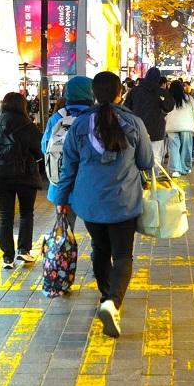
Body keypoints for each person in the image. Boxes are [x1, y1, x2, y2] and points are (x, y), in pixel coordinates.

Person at [57, 71, 153, 338]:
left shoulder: (79, 125)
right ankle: (113, 302)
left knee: (100, 248)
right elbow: (146, 162)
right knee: (122, 254)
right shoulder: (133, 122)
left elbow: (69, 166)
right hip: (123, 202)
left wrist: (61, 199)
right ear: (120, 93)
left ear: (94, 95)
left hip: (89, 202)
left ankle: (105, 296)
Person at [0, 92, 44, 269]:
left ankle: (7, 258)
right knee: (26, 214)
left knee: (5, 217)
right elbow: (39, 151)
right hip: (25, 177)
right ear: (22, 106)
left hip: (1, 177)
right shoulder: (29, 126)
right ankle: (23, 251)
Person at [42, 75, 94, 227]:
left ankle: (64, 251)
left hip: (62, 184)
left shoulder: (57, 117)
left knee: (64, 231)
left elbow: (45, 147)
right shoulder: (95, 116)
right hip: (90, 184)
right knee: (99, 237)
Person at [125, 66, 175, 163]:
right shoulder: (161, 92)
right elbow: (169, 107)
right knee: (155, 158)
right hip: (156, 129)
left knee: (136, 156)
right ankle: (153, 177)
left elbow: (126, 108)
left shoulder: (135, 91)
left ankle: (139, 177)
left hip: (137, 128)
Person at [164, 80, 194, 176]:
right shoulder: (189, 98)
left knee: (173, 148)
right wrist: (192, 122)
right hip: (186, 126)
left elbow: (165, 112)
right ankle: (185, 168)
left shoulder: (168, 98)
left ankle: (175, 170)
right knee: (186, 148)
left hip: (171, 126)